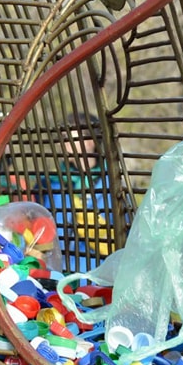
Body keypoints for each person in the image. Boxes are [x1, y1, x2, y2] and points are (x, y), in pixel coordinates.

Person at [36, 112, 119, 273]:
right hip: (60, 271)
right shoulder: (51, 183)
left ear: (89, 142)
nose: (62, 143)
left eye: (68, 137)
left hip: (102, 273)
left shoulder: (113, 183)